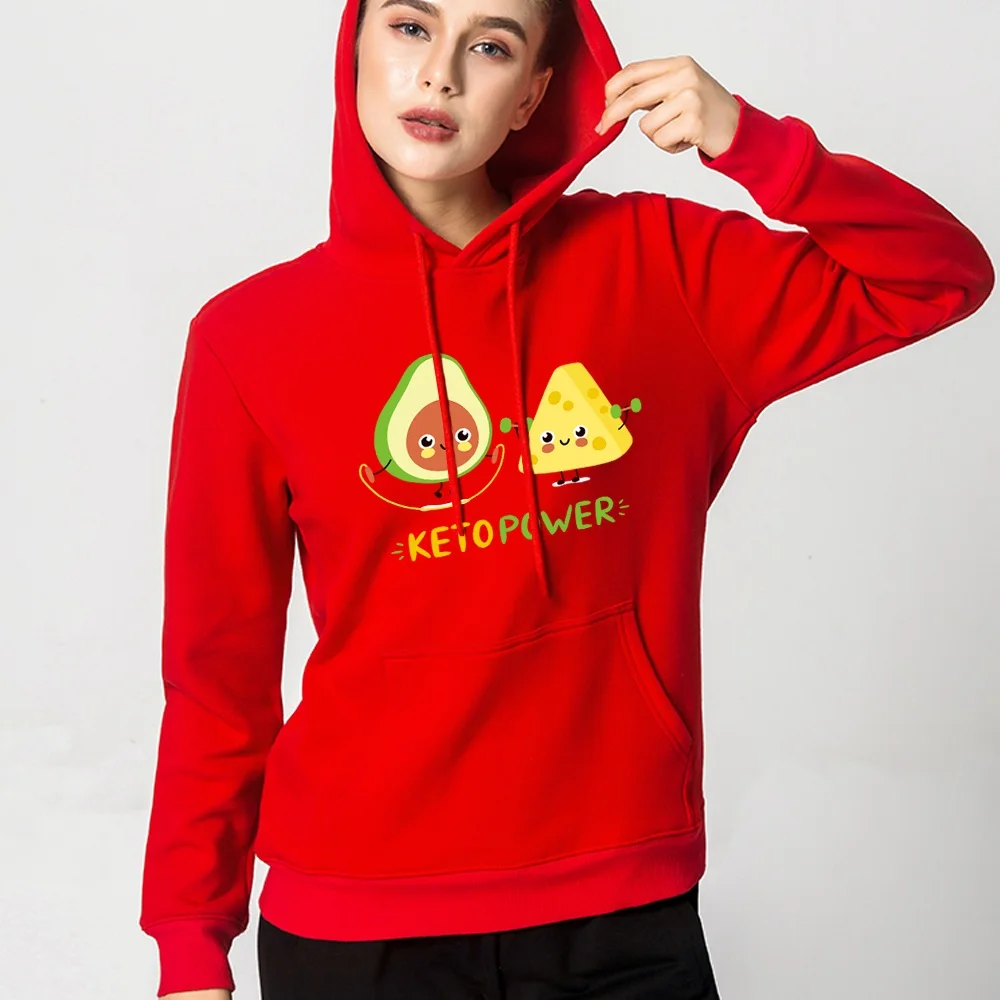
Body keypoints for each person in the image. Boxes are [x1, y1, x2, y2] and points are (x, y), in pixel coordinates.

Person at [138, 0, 994, 997]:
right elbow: (217, 673)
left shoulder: (661, 267)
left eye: (490, 44)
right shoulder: (249, 339)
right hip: (353, 926)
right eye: (411, 26)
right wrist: (190, 944)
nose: (442, 71)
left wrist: (752, 144)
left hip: (618, 912)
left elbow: (937, 277)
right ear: (355, 45)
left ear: (533, 95)